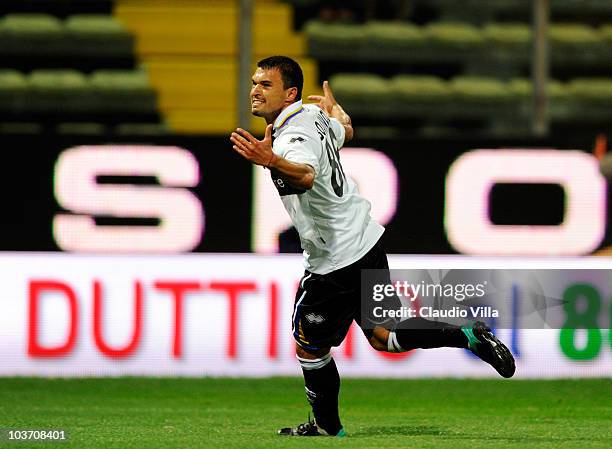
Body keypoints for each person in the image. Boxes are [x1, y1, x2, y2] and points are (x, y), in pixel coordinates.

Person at [230, 55, 515, 438]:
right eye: (254, 82)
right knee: (384, 336)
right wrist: (340, 116)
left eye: (266, 85)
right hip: (365, 241)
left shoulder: (293, 136)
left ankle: (328, 429)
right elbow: (344, 131)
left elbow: (306, 175)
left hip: (336, 260)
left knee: (309, 347)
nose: (255, 90)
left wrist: (271, 160)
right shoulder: (315, 118)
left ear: (290, 93)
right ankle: (464, 333)